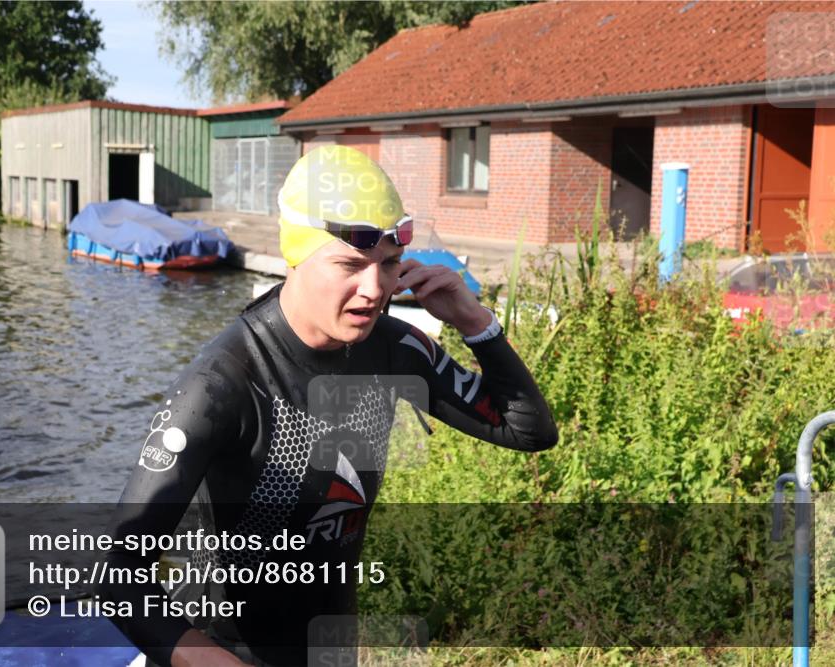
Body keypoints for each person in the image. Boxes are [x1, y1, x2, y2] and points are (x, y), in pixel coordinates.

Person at [99, 146, 558, 667]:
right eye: (349, 265)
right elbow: (117, 575)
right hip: (223, 651)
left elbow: (529, 431)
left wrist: (475, 323)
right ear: (296, 256)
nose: (375, 290)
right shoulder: (221, 384)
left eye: (387, 265)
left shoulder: (394, 349)